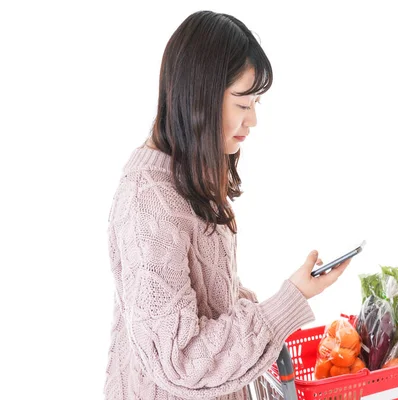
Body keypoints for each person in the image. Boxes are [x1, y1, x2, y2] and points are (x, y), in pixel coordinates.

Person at [104, 10, 351, 400]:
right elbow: (180, 359)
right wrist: (286, 303)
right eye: (242, 103)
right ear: (199, 95)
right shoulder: (148, 203)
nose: (252, 120)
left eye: (255, 103)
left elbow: (211, 298)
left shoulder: (191, 177)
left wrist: (267, 304)